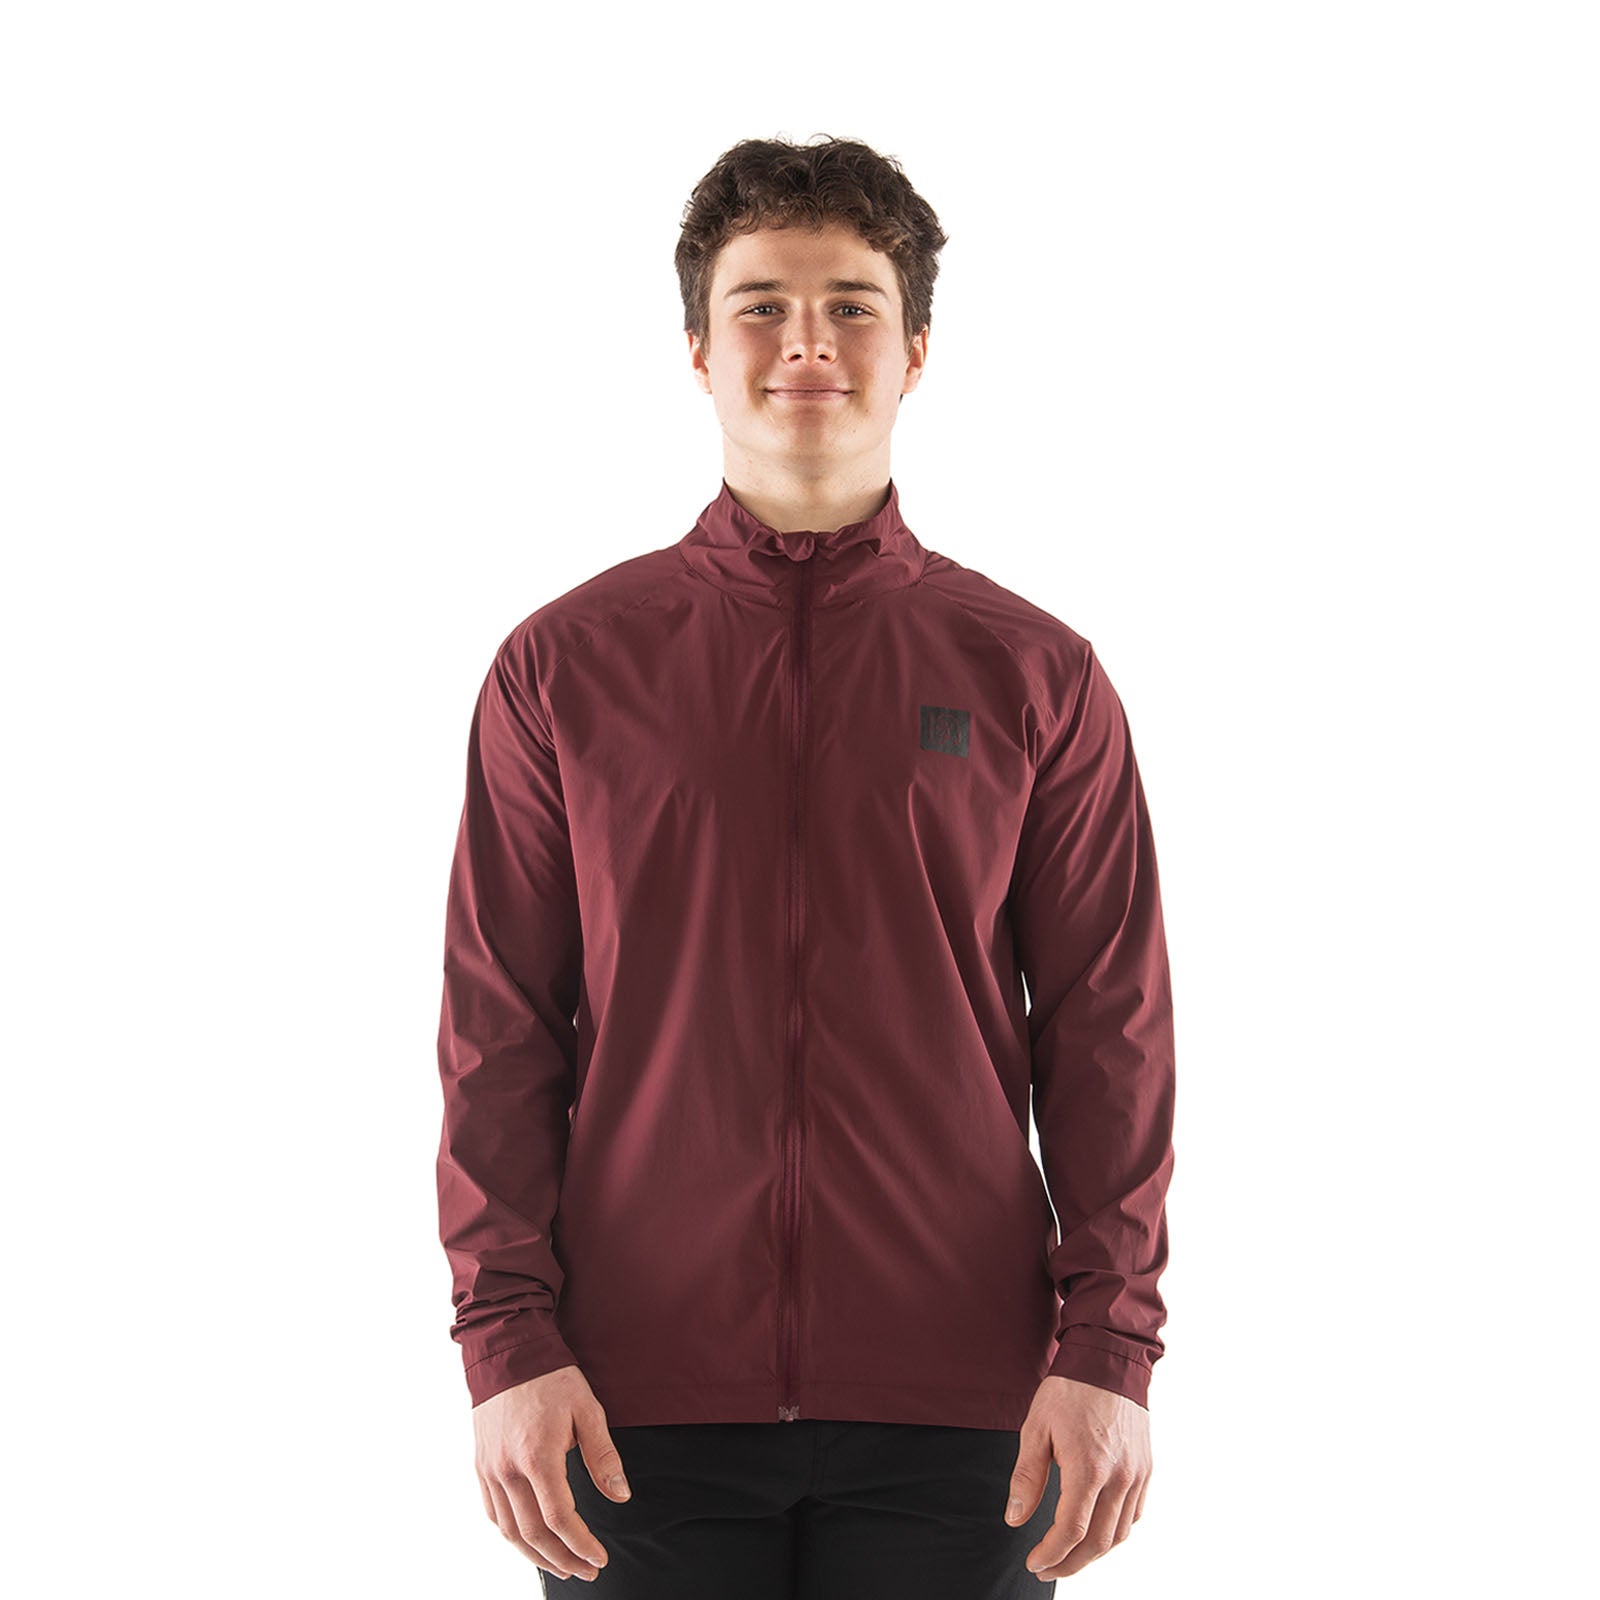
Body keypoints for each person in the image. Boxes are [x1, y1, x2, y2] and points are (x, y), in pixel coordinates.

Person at [435, 134, 1177, 1598]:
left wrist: (1110, 1347)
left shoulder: (1035, 672)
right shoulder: (563, 668)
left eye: (851, 306)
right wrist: (507, 1345)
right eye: (762, 306)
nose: (808, 343)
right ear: (698, 353)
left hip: (969, 1401)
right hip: (629, 1400)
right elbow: (497, 1031)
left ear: (916, 353)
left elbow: (1111, 1032)